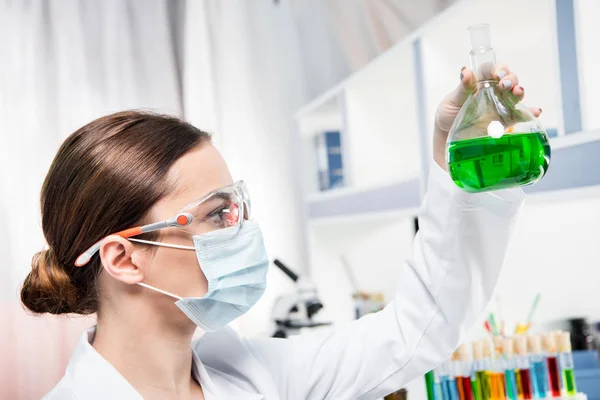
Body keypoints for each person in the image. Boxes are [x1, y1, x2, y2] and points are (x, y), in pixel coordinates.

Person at [22, 64, 540, 400]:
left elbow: (413, 331)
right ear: (124, 258)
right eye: (217, 214)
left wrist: (456, 170)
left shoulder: (252, 373)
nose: (242, 229)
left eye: (238, 207)